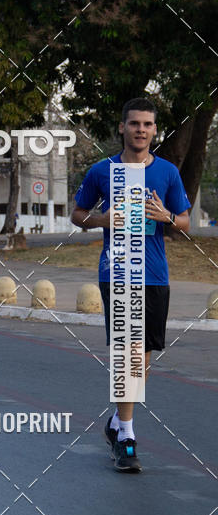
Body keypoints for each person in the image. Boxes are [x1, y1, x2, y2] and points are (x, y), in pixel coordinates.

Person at [71, 97, 191, 472]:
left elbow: (185, 221)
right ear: (121, 128)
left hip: (154, 273)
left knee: (141, 356)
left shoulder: (168, 172)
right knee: (127, 351)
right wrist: (101, 220)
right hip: (118, 270)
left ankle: (117, 421)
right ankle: (126, 434)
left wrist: (167, 216)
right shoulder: (101, 171)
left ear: (155, 131)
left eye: (147, 124)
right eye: (134, 123)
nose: (141, 129)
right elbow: (78, 214)